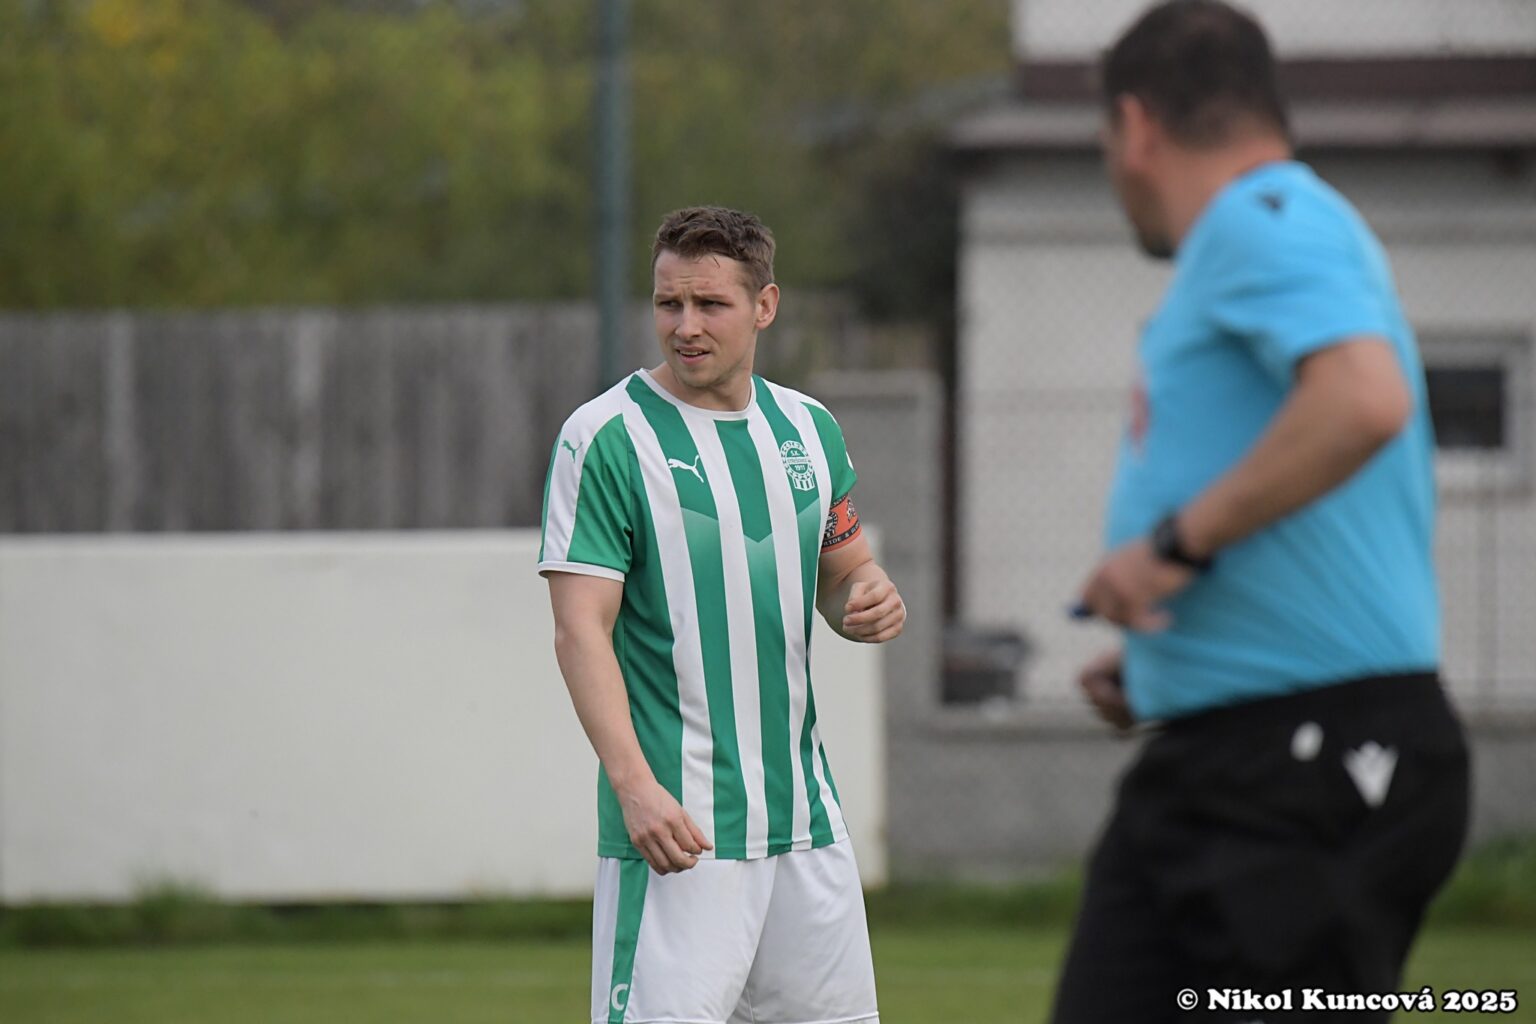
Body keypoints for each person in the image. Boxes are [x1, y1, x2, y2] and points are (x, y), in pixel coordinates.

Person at [1055, 3, 1470, 1021]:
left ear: (1136, 125)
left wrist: (1172, 547)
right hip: (1235, 749)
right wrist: (1175, 661)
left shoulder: (1263, 215)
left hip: (1305, 762)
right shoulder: (1268, 231)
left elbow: (1363, 400)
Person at [540, 206, 904, 1024]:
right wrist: (635, 789)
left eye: (710, 304)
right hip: (681, 832)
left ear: (764, 305)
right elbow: (580, 630)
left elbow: (844, 573)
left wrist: (869, 597)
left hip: (805, 823)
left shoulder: (807, 429)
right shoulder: (606, 439)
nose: (686, 326)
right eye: (669, 304)